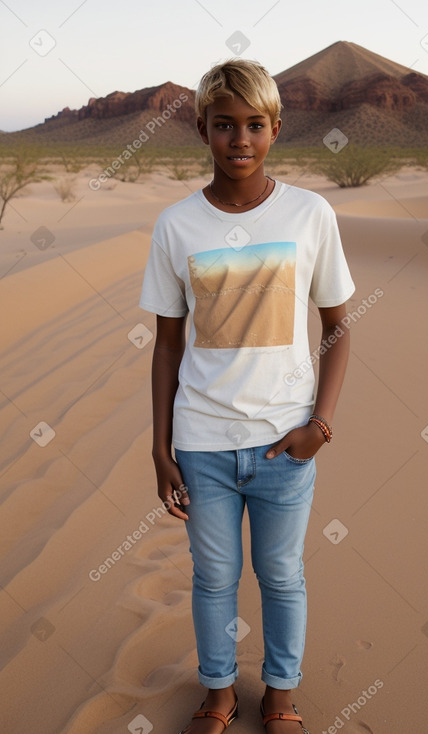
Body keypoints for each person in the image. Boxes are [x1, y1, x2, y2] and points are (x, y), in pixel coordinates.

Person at [139, 58, 355, 734]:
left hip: (283, 445)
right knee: (212, 580)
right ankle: (217, 694)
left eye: (254, 125)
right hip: (201, 443)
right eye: (224, 125)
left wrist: (318, 424)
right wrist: (160, 445)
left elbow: (338, 328)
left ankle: (281, 696)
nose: (239, 140)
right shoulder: (175, 226)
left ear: (275, 130)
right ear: (201, 129)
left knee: (282, 576)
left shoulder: (309, 214)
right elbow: (168, 344)